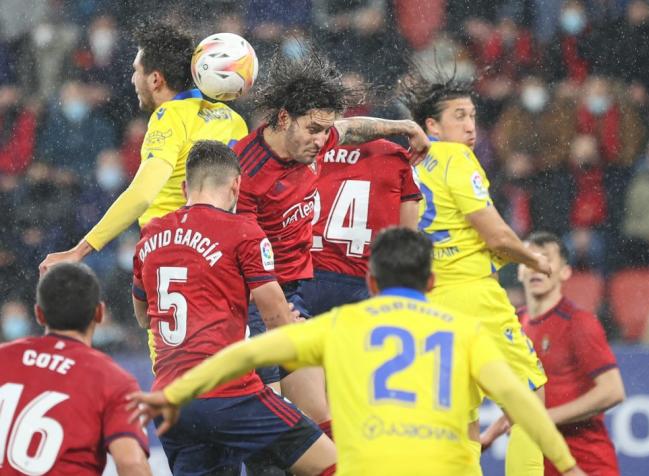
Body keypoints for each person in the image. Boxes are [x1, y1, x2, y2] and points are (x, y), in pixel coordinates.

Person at [128, 228, 585, 476]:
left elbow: (243, 356)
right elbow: (522, 401)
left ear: (370, 283)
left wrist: (176, 390)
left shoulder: (342, 326)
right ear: (431, 283)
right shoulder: (466, 332)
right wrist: (566, 465)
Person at [233, 46, 429, 434]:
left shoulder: (309, 143)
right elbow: (244, 261)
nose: (323, 141)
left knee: (325, 429)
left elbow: (350, 129)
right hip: (257, 301)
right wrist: (278, 319)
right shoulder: (246, 174)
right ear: (284, 118)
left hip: (295, 296)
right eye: (314, 130)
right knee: (271, 430)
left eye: (326, 130)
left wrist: (402, 127)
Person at [131, 140, 336, 475]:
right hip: (230, 392)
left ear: (185, 187)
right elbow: (273, 315)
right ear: (237, 184)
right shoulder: (242, 231)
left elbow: (143, 317)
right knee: (333, 462)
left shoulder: (150, 235)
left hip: (172, 401)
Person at [400, 72, 550, 475]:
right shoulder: (456, 158)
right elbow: (497, 236)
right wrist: (536, 260)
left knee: (460, 421)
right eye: (458, 116)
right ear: (431, 126)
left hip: (429, 304)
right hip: (472, 297)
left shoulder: (410, 166)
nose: (470, 126)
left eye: (473, 116)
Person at [39, 23, 248, 272]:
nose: (132, 79)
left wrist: (79, 250)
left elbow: (142, 193)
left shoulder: (169, 117)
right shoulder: (232, 119)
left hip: (174, 252)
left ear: (155, 79)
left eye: (136, 71)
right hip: (223, 255)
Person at [483, 231, 625, 475]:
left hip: (587, 464)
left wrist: (542, 419)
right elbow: (523, 398)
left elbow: (612, 391)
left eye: (546, 259)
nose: (536, 267)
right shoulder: (513, 324)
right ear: (519, 270)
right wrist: (490, 433)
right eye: (529, 259)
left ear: (565, 272)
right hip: (542, 465)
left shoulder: (578, 322)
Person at [0, 263, 151, 475]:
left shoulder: (3, 357)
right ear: (99, 313)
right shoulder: (111, 379)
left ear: (39, 314)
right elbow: (132, 464)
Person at [301, 139, 422, 315]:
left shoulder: (313, 146)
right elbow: (406, 239)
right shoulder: (396, 156)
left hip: (306, 279)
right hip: (364, 281)